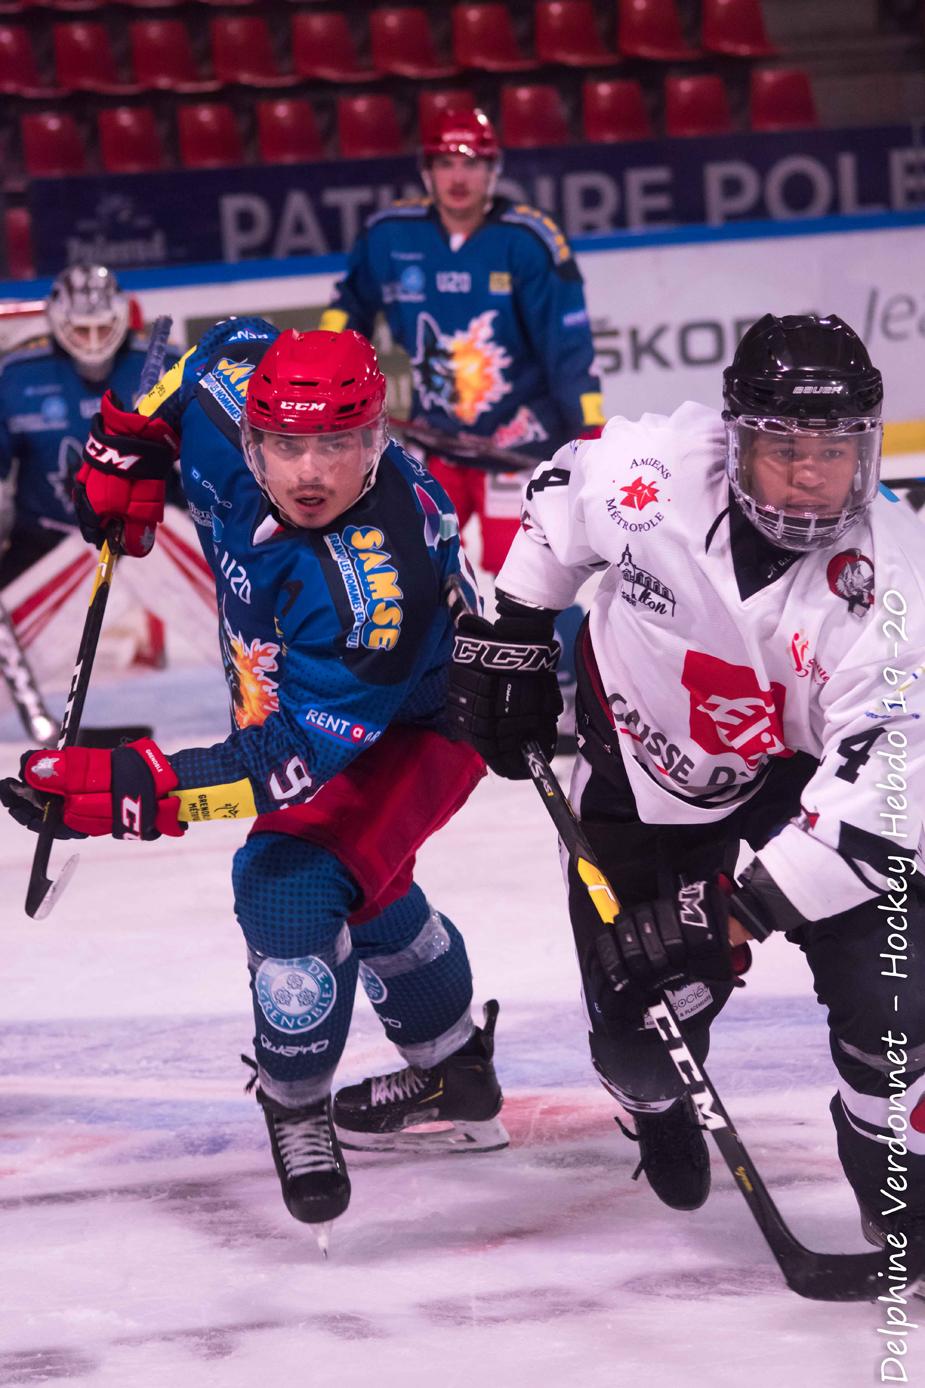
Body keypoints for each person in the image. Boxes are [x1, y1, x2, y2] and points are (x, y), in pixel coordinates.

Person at [0, 319, 508, 1240]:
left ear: (375, 439)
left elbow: (288, 765)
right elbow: (210, 349)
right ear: (249, 433)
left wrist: (134, 786)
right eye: (285, 445)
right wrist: (127, 436)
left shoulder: (373, 590)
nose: (310, 473)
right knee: (363, 879)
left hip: (422, 725)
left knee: (290, 880)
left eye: (337, 446)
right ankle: (453, 1070)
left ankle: (294, 1101)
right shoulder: (224, 398)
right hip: (308, 697)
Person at [447, 313, 925, 1249]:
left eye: (834, 450)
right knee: (638, 1034)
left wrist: (734, 915)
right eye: (784, 448)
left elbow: (886, 803)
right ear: (735, 442)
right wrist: (517, 627)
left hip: (805, 781)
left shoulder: (898, 585)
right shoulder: (653, 473)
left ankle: (894, 1179)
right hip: (641, 767)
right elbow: (557, 493)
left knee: (897, 1005)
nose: (809, 473)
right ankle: (654, 1103)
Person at [320, 107, 603, 740]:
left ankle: (581, 686)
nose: (457, 177)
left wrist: (588, 432)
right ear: (426, 169)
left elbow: (569, 346)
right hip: (435, 440)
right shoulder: (389, 237)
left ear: (493, 170)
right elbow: (347, 307)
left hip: (515, 444)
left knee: (527, 575)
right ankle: (417, 685)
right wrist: (325, 360)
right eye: (445, 162)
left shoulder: (530, 240)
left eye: (471, 164)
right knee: (412, 561)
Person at [0, 263, 179, 587]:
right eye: (82, 330)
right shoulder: (16, 376)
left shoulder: (166, 367)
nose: (94, 341)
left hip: (146, 541)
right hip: (43, 541)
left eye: (104, 328)